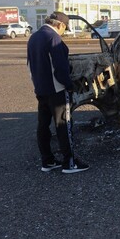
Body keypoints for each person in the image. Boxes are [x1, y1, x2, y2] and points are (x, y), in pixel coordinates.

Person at [27, 12, 89, 174]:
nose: (64, 32)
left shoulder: (33, 37)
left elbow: (29, 65)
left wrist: (37, 85)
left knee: (43, 126)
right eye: (65, 28)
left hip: (41, 89)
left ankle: (47, 161)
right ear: (60, 25)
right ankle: (69, 163)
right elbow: (60, 68)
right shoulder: (53, 38)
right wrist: (69, 85)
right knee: (63, 125)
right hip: (57, 90)